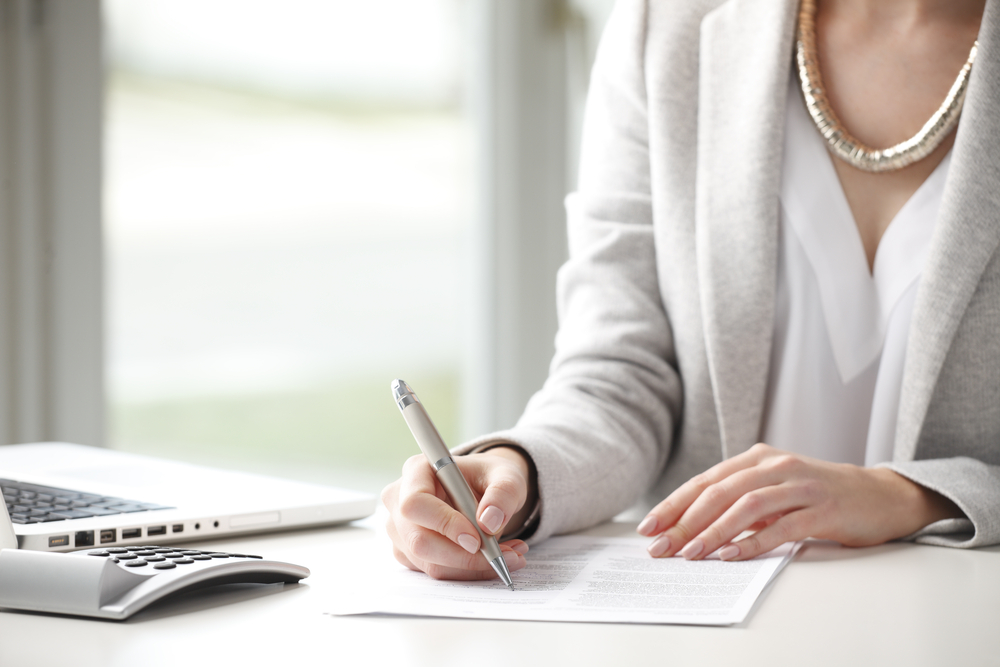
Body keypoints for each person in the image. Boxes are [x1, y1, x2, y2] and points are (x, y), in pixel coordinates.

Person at [382, 0, 1000, 582]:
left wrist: (913, 496)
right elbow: (621, 376)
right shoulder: (668, 25)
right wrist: (520, 471)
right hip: (709, 628)